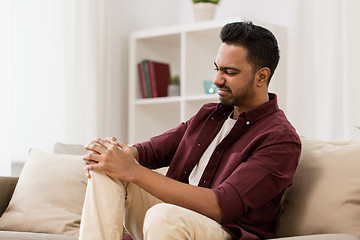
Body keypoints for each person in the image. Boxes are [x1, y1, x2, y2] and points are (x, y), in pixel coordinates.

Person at [79, 21, 301, 240]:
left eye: (229, 72)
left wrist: (132, 170)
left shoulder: (280, 139)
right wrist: (116, 153)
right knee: (105, 166)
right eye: (217, 69)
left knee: (163, 214)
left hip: (223, 230)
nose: (217, 80)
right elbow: (150, 151)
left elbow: (222, 205)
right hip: (174, 219)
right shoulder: (210, 115)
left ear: (261, 76)